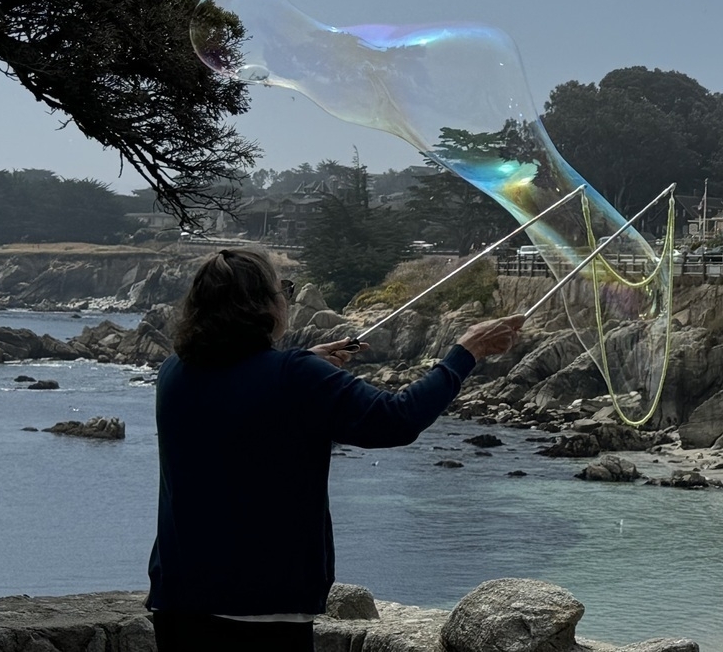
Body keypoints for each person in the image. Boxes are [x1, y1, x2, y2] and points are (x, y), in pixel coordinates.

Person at [148, 248, 522, 652]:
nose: (286, 300)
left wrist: (305, 363)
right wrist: (466, 353)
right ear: (263, 307)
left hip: (178, 601)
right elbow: (397, 420)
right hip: (262, 606)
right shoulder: (293, 378)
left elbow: (239, 391)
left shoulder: (174, 371)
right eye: (283, 290)